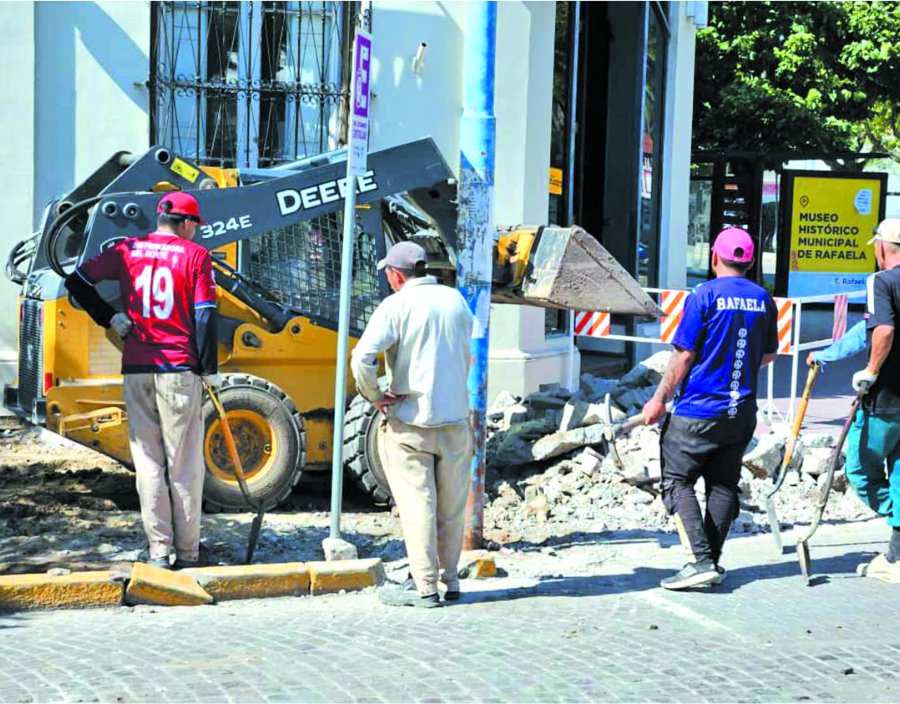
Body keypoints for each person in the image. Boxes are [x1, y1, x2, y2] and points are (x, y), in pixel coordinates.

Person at [64, 192, 219, 570]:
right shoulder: (195, 256)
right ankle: (188, 553)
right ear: (185, 223)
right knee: (183, 464)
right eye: (195, 226)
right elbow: (204, 316)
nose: (196, 233)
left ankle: (158, 552)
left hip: (136, 367)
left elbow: (78, 281)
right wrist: (207, 368)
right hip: (178, 370)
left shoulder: (127, 250)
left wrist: (109, 317)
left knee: (148, 463)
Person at [643, 227, 778, 590]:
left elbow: (684, 354)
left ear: (715, 259)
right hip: (740, 413)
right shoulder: (764, 299)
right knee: (723, 485)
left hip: (697, 410)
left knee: (677, 481)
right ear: (749, 262)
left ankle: (700, 561)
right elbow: (768, 354)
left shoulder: (703, 295)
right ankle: (710, 562)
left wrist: (659, 399)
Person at [350, 241, 474, 608]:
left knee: (419, 504)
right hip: (455, 422)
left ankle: (423, 588)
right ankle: (450, 581)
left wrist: (374, 394)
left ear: (396, 274)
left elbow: (362, 357)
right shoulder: (456, 301)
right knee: (451, 507)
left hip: (411, 423)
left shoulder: (396, 305)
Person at [843, 218, 900, 584]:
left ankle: (898, 533)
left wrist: (871, 370)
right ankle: (896, 554)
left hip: (887, 399)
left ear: (881, 247)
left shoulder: (881, 281)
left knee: (860, 470)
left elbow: (884, 328)